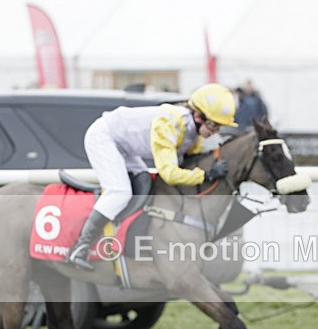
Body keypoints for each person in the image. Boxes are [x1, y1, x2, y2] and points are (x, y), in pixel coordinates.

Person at [66, 83, 238, 271]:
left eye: (219, 127)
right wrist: (207, 175)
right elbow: (170, 174)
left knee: (145, 181)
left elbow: (190, 163)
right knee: (120, 192)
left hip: (124, 145)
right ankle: (80, 247)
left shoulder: (194, 135)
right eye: (213, 125)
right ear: (198, 116)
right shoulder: (169, 123)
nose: (214, 132)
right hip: (104, 137)